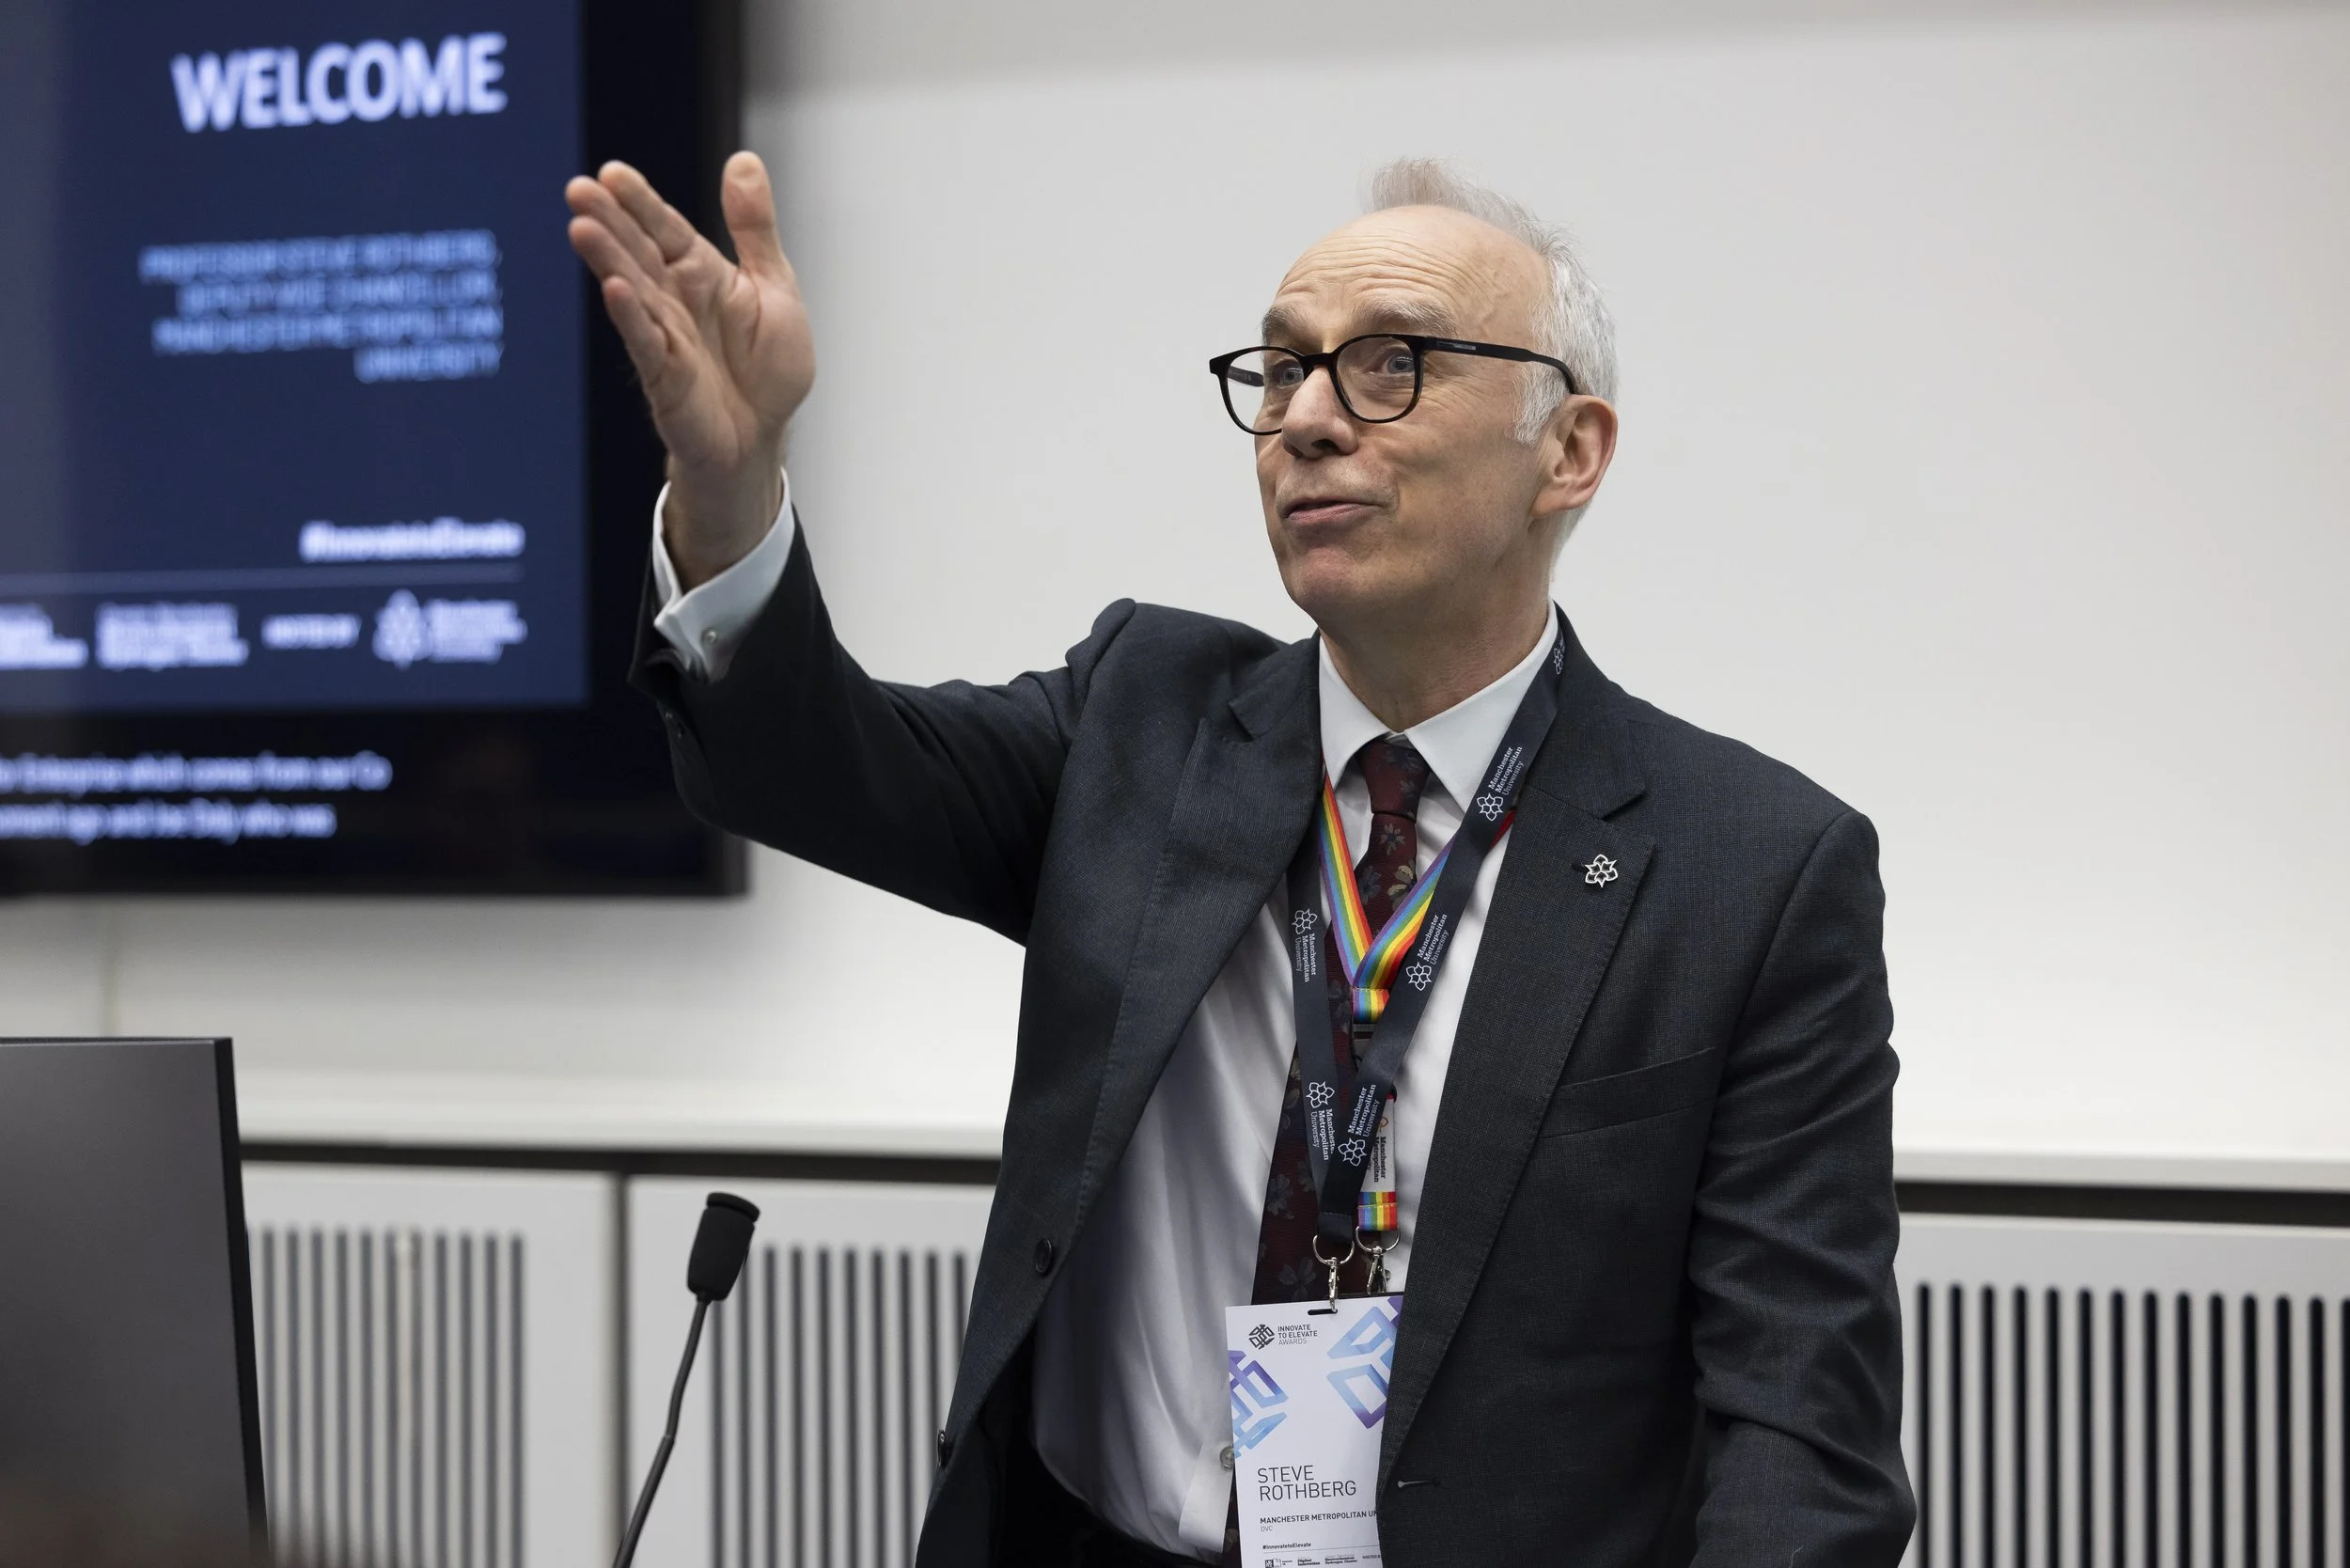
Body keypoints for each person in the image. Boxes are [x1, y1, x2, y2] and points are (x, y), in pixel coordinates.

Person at [565, 150, 1914, 1567]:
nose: (1309, 420)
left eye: (1391, 365)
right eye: (1281, 372)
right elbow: (802, 761)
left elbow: (1800, 1430)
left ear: (1567, 450)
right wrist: (730, 491)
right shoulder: (1140, 724)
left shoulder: (1748, 871)